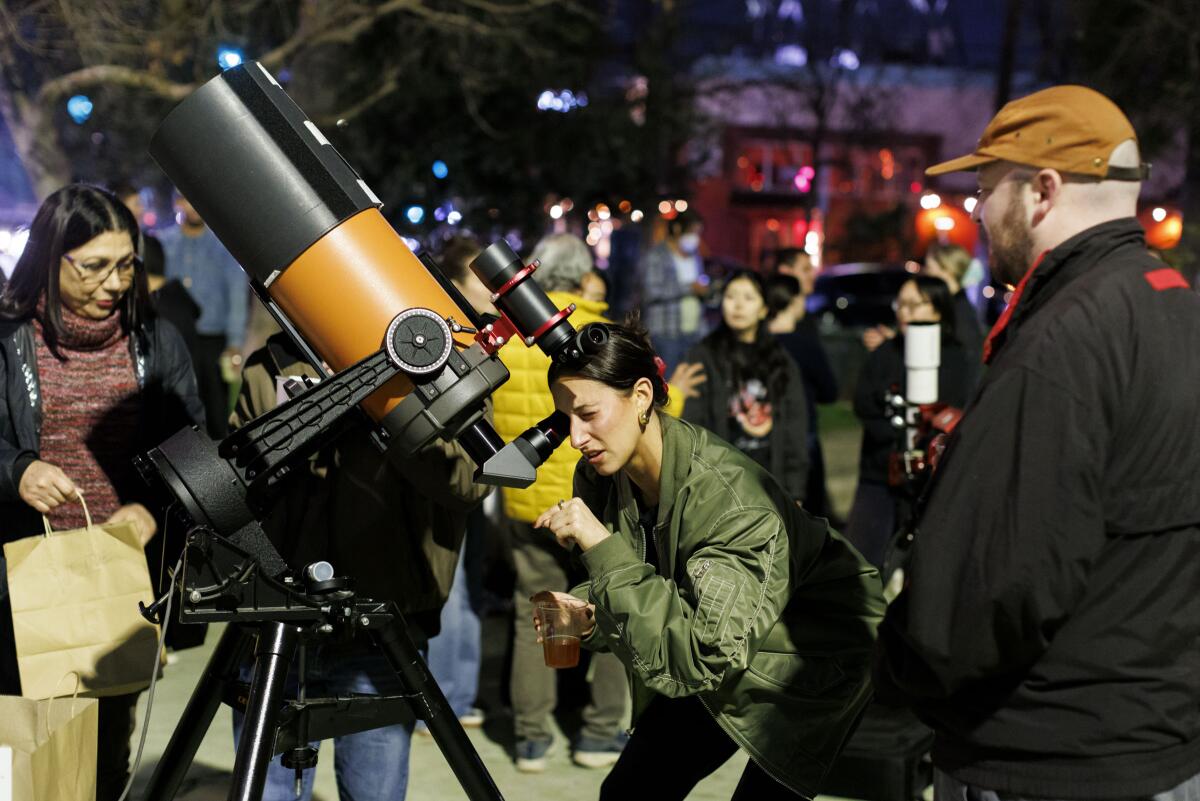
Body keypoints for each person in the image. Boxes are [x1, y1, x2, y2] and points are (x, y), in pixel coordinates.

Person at [873, 85, 1200, 800]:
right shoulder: (1175, 305)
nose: (979, 213)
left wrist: (893, 665)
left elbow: (991, 585)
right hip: (1157, 734)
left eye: (986, 191)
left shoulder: (1062, 338)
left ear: (1042, 191)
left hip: (1047, 753)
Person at [533, 322, 884, 800]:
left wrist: (600, 546)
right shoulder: (603, 475)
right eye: (565, 419)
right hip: (716, 642)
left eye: (589, 414)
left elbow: (698, 658)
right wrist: (588, 615)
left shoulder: (733, 504)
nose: (576, 438)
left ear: (640, 397)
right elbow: (650, 595)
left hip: (812, 661)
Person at [0, 184, 204, 801]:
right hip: (25, 575)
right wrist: (16, 469)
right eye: (94, 266)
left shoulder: (154, 340)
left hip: (119, 575)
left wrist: (154, 504)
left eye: (126, 264)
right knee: (39, 755)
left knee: (109, 747)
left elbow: (192, 445)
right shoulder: (8, 339)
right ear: (49, 256)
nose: (114, 283)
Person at [230, 326, 491, 801]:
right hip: (277, 619)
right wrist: (312, 416)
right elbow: (238, 485)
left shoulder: (439, 360)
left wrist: (383, 407)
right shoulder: (271, 366)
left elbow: (469, 484)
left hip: (382, 623)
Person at [492, 233, 704, 773]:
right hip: (596, 500)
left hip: (526, 500)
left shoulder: (513, 345)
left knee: (532, 613)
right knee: (617, 600)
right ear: (586, 274)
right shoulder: (595, 341)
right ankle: (602, 729)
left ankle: (532, 736)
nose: (577, 430)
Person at [843, 276, 968, 568]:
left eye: (916, 305)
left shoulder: (953, 356)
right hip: (879, 472)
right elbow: (864, 403)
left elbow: (952, 407)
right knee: (861, 561)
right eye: (901, 304)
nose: (905, 312)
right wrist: (895, 433)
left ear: (939, 310)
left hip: (929, 477)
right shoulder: (886, 353)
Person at [421, 234, 493, 731]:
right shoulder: (446, 334)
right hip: (450, 472)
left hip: (479, 472)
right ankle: (444, 699)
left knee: (465, 588)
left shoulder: (481, 331)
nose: (496, 291)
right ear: (457, 282)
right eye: (484, 280)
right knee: (450, 585)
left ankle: (457, 697)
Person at [683, 270, 809, 502]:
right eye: (731, 297)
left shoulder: (780, 361)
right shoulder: (704, 355)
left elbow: (795, 429)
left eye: (748, 298)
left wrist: (795, 491)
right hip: (720, 485)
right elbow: (693, 424)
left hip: (770, 482)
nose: (738, 305)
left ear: (763, 310)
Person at [159, 191, 249, 439]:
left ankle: (220, 465)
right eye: (187, 200)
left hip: (213, 339)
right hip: (175, 338)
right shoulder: (164, 242)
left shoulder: (222, 246)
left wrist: (234, 342)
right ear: (177, 203)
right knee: (178, 406)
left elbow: (236, 293)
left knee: (216, 405)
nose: (193, 207)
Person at [765, 272, 839, 519]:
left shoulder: (756, 345)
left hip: (762, 439)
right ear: (794, 301)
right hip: (803, 436)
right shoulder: (804, 346)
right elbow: (830, 391)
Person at [637, 209, 708, 370]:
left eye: (698, 233)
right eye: (692, 232)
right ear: (677, 228)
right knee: (669, 384)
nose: (695, 238)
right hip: (667, 333)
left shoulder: (695, 256)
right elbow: (651, 292)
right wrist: (689, 287)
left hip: (694, 332)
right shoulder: (657, 255)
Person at [922, 242, 985, 390]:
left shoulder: (959, 313)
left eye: (930, 268)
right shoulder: (954, 306)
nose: (926, 273)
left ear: (948, 270)